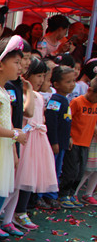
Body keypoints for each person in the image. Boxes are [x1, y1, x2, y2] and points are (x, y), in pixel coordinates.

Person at [0, 37, 29, 242]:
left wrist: (13, 149)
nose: (20, 67)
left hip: (3, 148)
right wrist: (14, 135)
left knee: (0, 188)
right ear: (0, 65)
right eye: (16, 62)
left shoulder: (3, 90)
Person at [9, 57, 59, 228]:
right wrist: (28, 91)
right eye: (38, 75)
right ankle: (14, 212)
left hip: (36, 141)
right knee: (20, 176)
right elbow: (28, 113)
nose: (41, 80)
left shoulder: (38, 96)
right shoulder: (23, 94)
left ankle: (20, 211)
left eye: (43, 76)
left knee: (29, 177)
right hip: (25, 140)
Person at [40, 65, 76, 208]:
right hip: (54, 143)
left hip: (62, 143)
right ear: (56, 84)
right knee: (49, 169)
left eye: (73, 81)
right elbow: (52, 122)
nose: (72, 85)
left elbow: (66, 122)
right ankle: (42, 195)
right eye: (68, 82)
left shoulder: (65, 100)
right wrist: (54, 142)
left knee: (57, 169)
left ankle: (51, 195)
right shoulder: (55, 100)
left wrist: (68, 138)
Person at [58, 77, 97, 208]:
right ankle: (63, 194)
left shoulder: (95, 104)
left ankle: (71, 194)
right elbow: (67, 119)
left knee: (80, 172)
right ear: (90, 90)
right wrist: (68, 136)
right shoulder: (77, 102)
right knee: (71, 170)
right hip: (74, 141)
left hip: (86, 142)